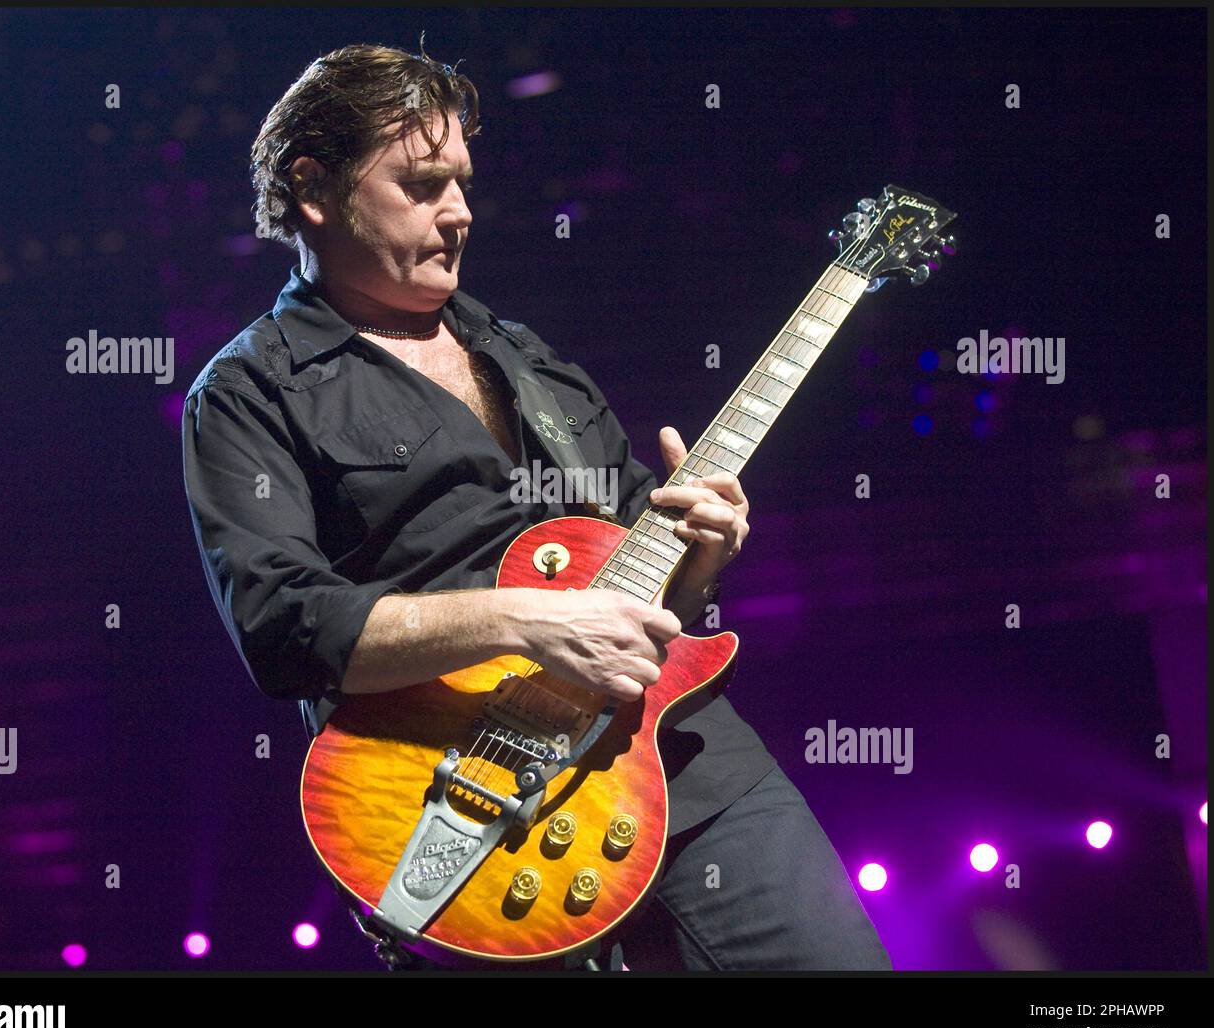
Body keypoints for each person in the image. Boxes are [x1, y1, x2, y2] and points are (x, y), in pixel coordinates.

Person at [181, 40, 891, 971]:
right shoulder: (248, 392)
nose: (460, 212)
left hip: (683, 764)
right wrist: (528, 621)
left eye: (464, 183)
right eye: (423, 184)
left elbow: (647, 572)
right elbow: (280, 627)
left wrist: (705, 547)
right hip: (472, 805)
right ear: (314, 191)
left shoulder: (524, 355)